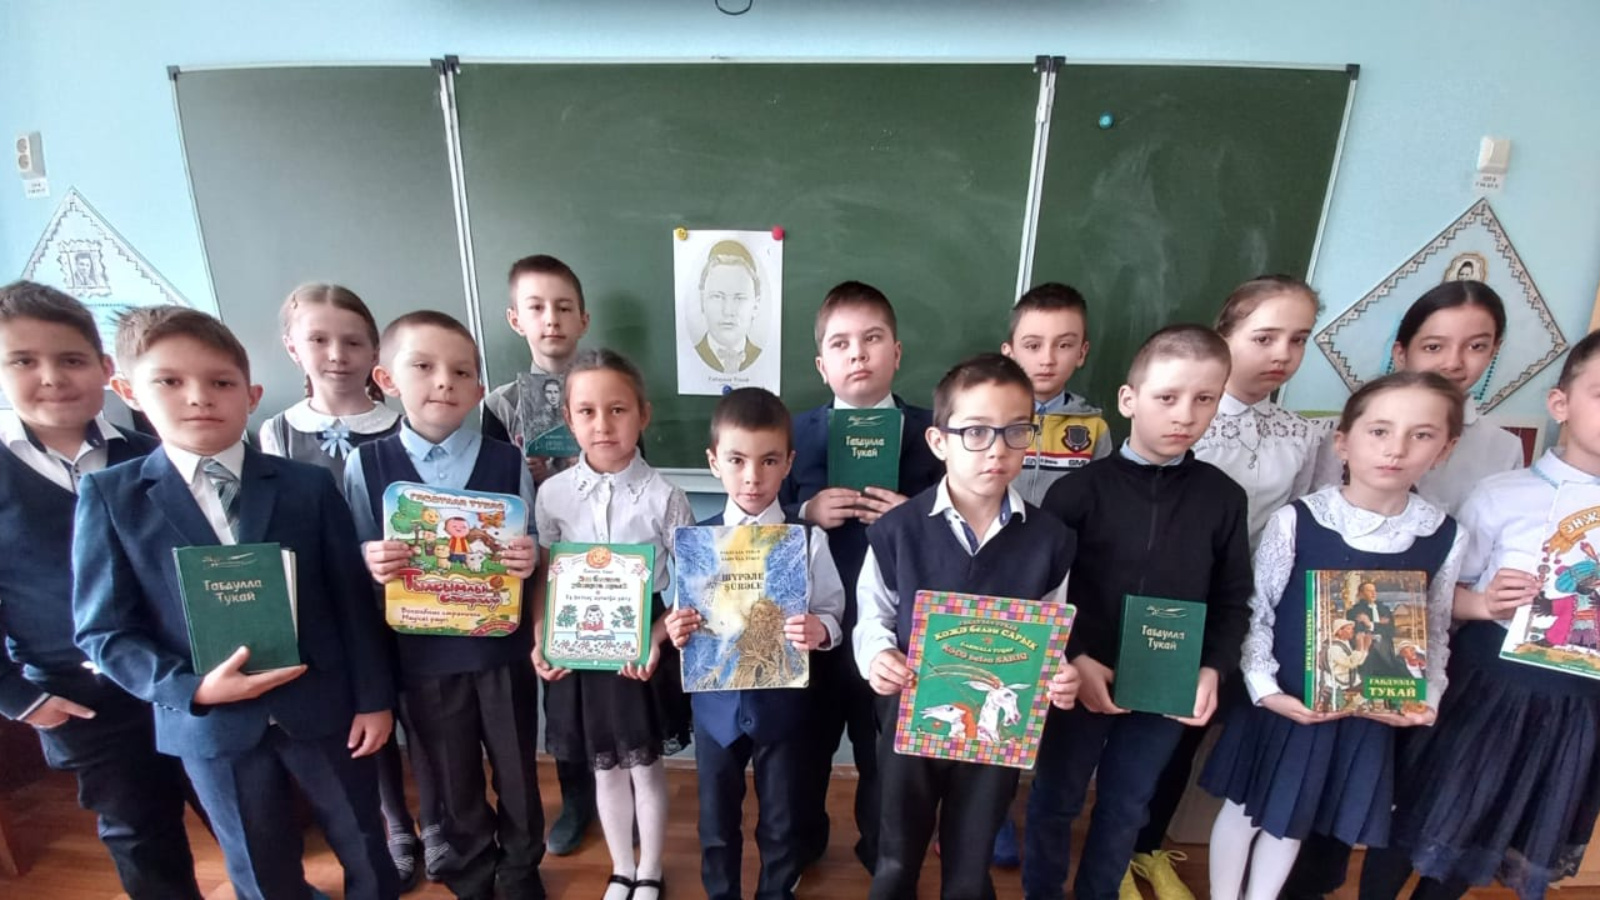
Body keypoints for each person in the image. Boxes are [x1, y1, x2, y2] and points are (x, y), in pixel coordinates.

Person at [72, 305, 399, 900]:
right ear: (128, 391)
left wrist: (375, 699)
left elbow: (351, 602)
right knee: (257, 861)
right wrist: (190, 689)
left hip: (323, 709)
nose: (199, 397)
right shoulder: (111, 497)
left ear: (250, 396)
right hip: (211, 725)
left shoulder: (306, 485)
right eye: (170, 381)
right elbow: (104, 632)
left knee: (363, 841)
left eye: (220, 382)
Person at [1287, 279, 1526, 900]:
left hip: (1434, 648)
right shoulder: (1350, 430)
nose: (1455, 362)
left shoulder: (1500, 449)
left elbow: (1468, 572)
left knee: (1395, 791)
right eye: (1434, 345)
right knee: (1321, 794)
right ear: (1402, 352)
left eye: (1477, 346)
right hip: (1337, 642)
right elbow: (1308, 532)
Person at [1200, 370, 1466, 900]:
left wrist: (1425, 697)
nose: (1396, 449)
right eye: (1379, 431)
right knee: (1246, 809)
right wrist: (1265, 689)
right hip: (1283, 702)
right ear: (1343, 442)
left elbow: (1434, 628)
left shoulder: (1444, 535)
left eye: (1421, 435)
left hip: (1365, 711)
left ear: (1444, 449)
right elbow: (1259, 608)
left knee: (1293, 820)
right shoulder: (1298, 520)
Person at [1359, 331, 1600, 900]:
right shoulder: (1503, 493)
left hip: (1575, 705)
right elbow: (1439, 595)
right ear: (1561, 403)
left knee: (1485, 831)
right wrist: (1487, 601)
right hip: (1486, 687)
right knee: (1419, 815)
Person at [1023, 325, 1252, 900]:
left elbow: (1232, 598)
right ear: (1129, 400)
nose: (1185, 415)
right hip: (1082, 679)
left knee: (1127, 805)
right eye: (1167, 397)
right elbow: (1045, 591)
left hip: (1166, 685)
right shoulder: (1077, 492)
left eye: (1205, 399)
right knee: (1056, 799)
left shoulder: (1223, 498)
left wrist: (1213, 668)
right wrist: (1074, 657)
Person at [1127, 275, 1329, 899]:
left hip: (1248, 610)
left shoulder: (1300, 435)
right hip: (1172, 607)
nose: (1281, 355)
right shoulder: (1175, 420)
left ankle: (1151, 847)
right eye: (1264, 337)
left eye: (1298, 339)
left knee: (1198, 739)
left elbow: (1299, 526)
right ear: (1225, 335)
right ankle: (1121, 853)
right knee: (1147, 740)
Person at [0, 281, 203, 900]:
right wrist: (21, 698)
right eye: (23, 361)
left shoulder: (156, 455)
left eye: (71, 359)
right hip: (78, 693)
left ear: (105, 368)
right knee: (139, 828)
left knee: (235, 800)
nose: (52, 377)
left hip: (182, 675)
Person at [855, 352, 1081, 900]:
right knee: (896, 858)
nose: (997, 449)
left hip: (995, 737)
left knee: (969, 863)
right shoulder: (897, 531)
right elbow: (872, 615)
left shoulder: (1051, 541)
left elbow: (1052, 633)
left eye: (1015, 431)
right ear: (939, 442)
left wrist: (1060, 673)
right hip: (911, 719)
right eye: (976, 432)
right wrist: (878, 655)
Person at [345, 311, 544, 900]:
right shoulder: (367, 465)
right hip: (421, 657)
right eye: (424, 366)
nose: (444, 382)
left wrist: (528, 557)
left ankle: (520, 870)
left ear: (479, 389)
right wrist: (369, 559)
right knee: (451, 778)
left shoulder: (507, 460)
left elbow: (531, 543)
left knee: (517, 771)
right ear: (386, 379)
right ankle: (472, 875)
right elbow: (354, 551)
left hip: (500, 650)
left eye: (461, 372)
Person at [255, 283, 430, 888]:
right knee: (362, 722)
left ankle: (432, 820)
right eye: (319, 340)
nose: (337, 354)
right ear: (292, 347)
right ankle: (394, 822)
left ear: (376, 354)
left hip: (410, 601)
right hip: (328, 608)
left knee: (420, 716)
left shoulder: (406, 423)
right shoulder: (277, 433)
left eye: (353, 342)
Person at [779, 280, 945, 872]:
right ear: (821, 364)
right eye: (841, 343)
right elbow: (760, 522)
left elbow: (961, 523)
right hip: (814, 632)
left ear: (896, 353)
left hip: (898, 636)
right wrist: (805, 511)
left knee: (885, 759)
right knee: (807, 752)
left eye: (872, 339)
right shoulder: (793, 435)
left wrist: (914, 516)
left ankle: (883, 856)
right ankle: (803, 849)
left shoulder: (935, 436)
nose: (858, 354)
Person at [664, 387, 846, 900]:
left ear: (788, 462)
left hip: (783, 706)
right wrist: (678, 630)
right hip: (716, 707)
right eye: (737, 460)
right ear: (713, 462)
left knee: (783, 820)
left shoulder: (806, 539)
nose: (752, 476)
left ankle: (776, 891)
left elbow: (833, 611)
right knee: (716, 822)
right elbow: (684, 616)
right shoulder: (696, 542)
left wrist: (820, 630)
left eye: (768, 461)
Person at [530, 349, 694, 900]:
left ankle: (650, 868)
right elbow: (547, 573)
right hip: (578, 650)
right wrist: (541, 635)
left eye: (617, 409)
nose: (603, 424)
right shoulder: (552, 494)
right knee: (604, 768)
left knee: (644, 767)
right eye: (587, 411)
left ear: (643, 415)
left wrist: (657, 637)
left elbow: (695, 584)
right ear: (569, 419)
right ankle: (621, 867)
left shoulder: (665, 497)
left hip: (640, 646)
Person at [481, 254, 597, 854]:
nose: (551, 318)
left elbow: (637, 463)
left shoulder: (608, 387)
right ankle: (576, 797)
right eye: (536, 307)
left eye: (563, 307)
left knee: (611, 681)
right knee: (561, 685)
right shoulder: (499, 405)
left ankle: (619, 788)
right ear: (516, 319)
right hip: (536, 563)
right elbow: (486, 493)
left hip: (602, 557)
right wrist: (518, 474)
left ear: (582, 318)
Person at [1000, 281, 1112, 507]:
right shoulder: (989, 420)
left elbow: (1102, 504)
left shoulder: (1095, 429)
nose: (1047, 360)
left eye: (1064, 345)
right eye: (1033, 346)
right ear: (1009, 353)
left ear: (1081, 353)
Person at [693, 240, 763, 373]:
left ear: (755, 305)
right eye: (717, 297)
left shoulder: (764, 358)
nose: (728, 311)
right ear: (702, 301)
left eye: (739, 298)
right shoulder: (690, 355)